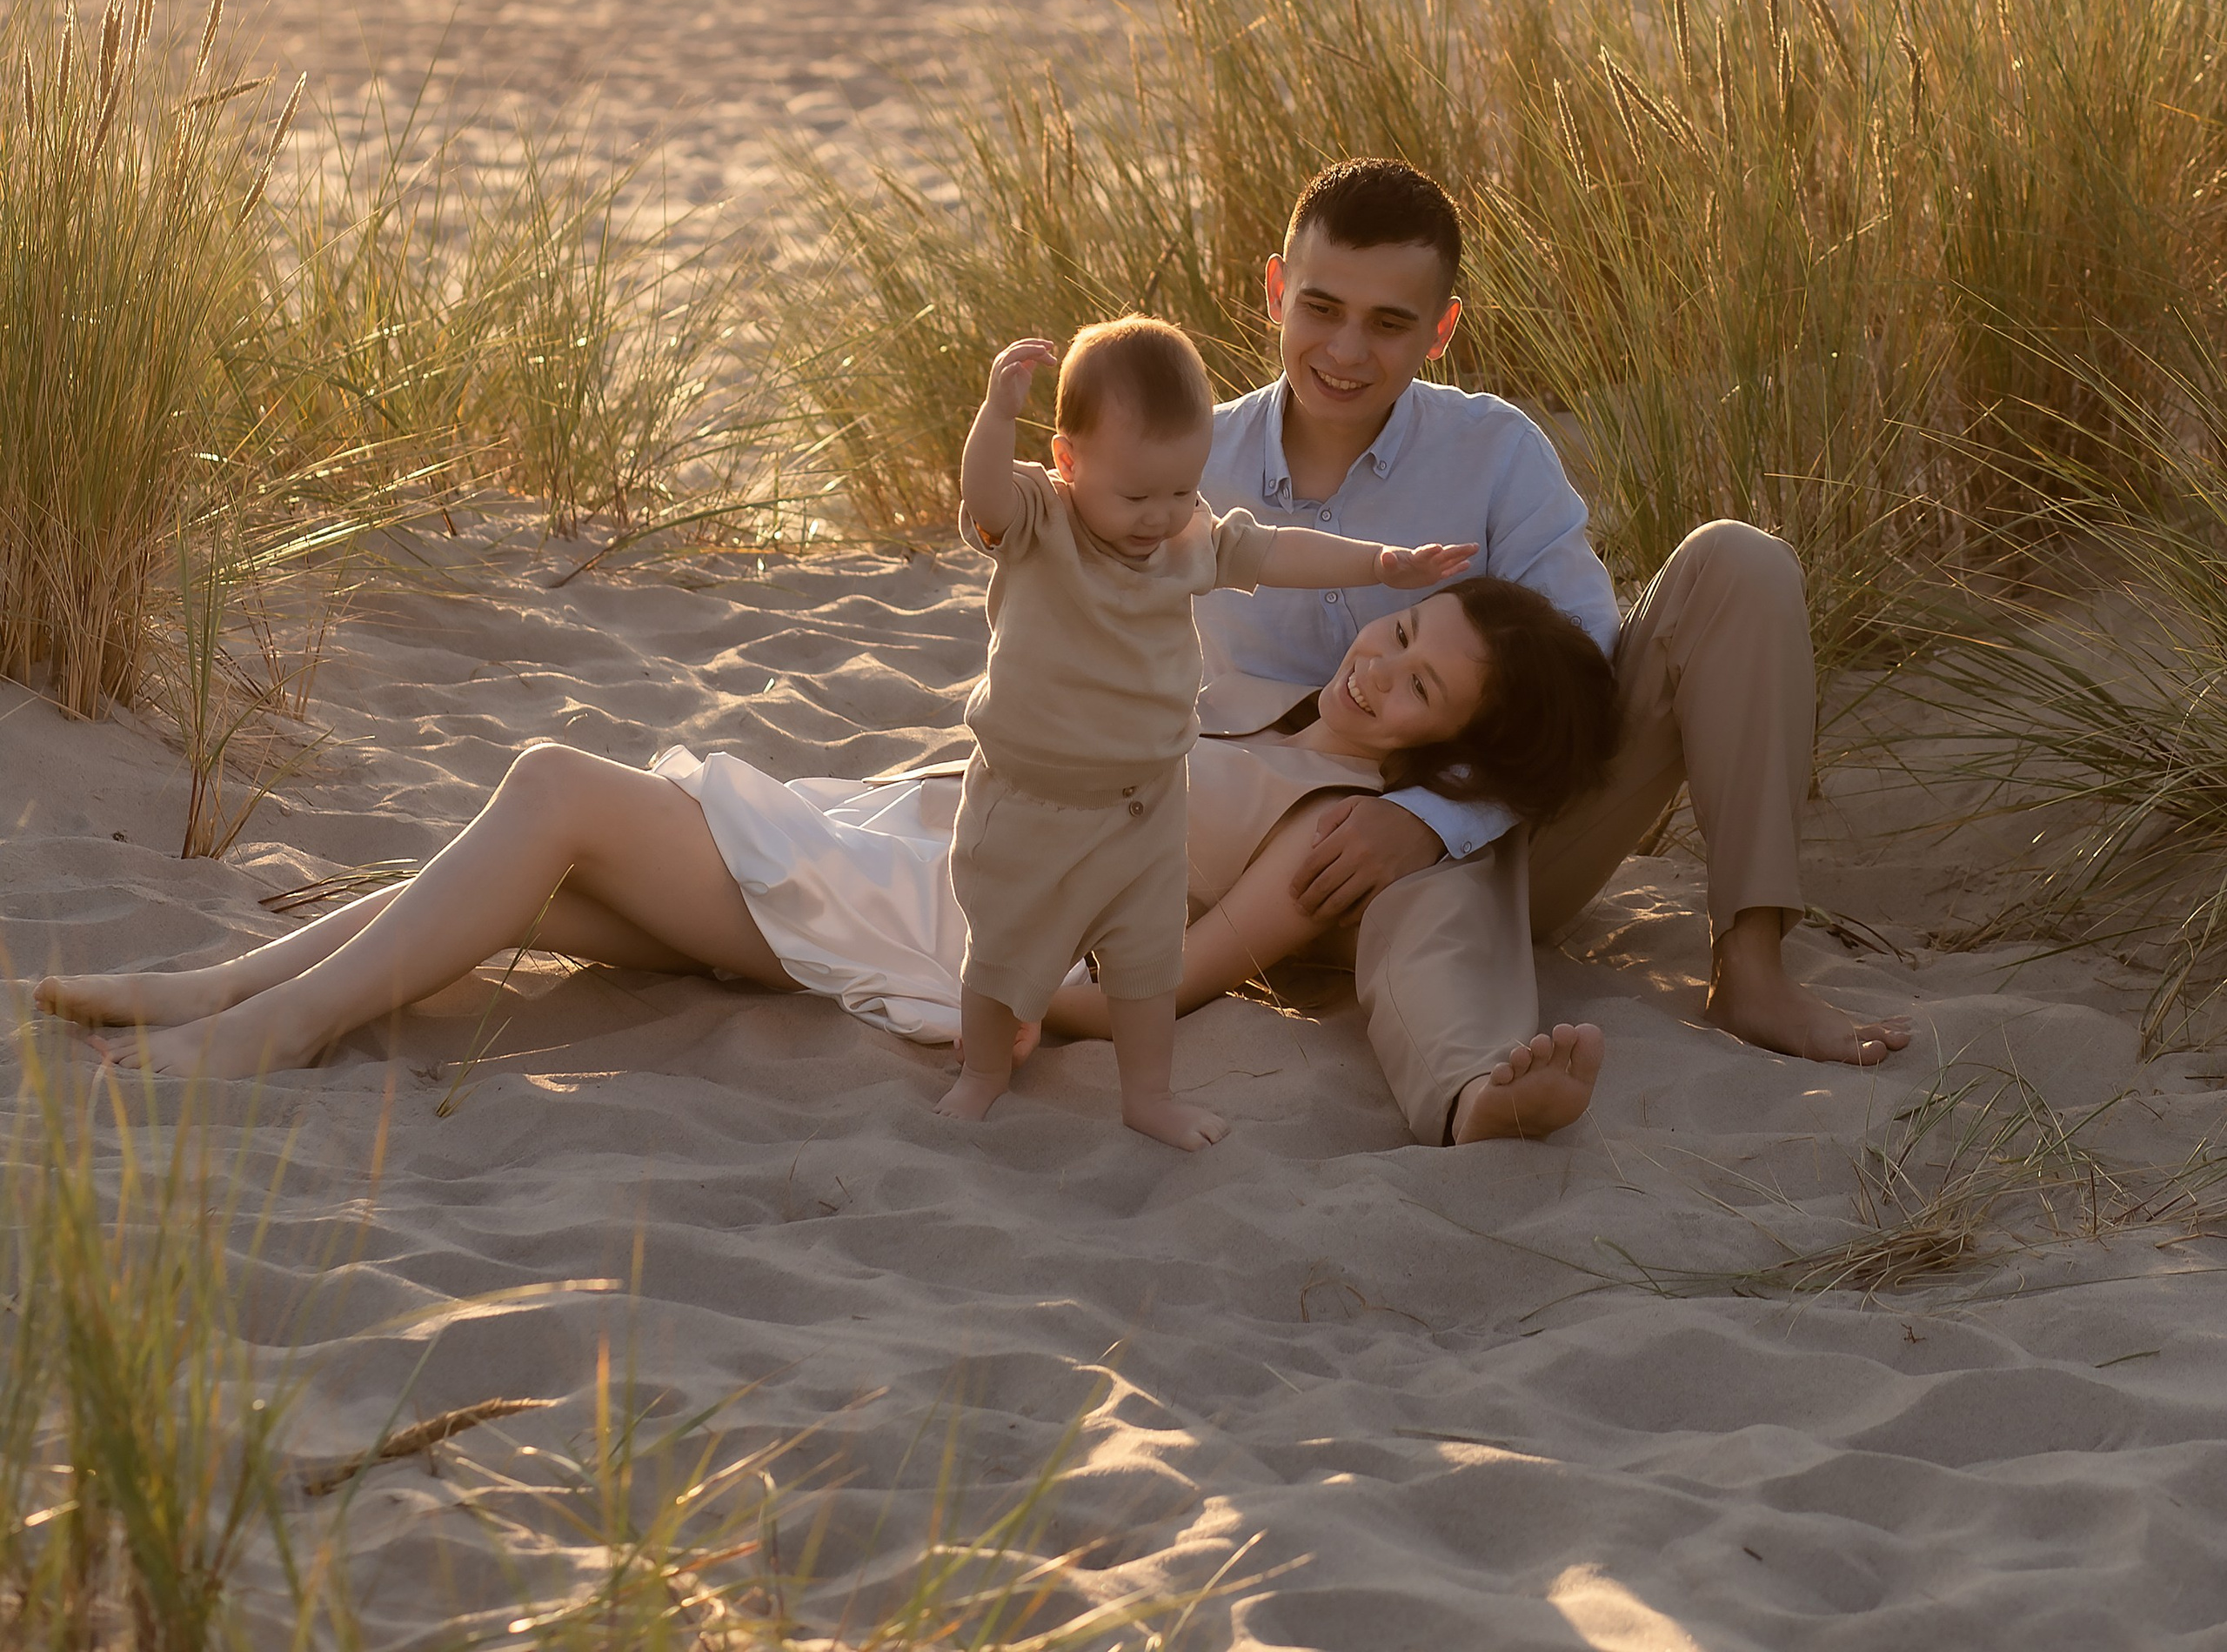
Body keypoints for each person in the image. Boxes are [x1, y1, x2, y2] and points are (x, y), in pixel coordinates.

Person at [32, 573, 1622, 1109]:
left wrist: (1002, 998)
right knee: (548, 880)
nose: (1380, 663)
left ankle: (270, 1031)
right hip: (894, 828)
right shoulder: (1274, 712)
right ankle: (220, 986)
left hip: (923, 910)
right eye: (1400, 629)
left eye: (1418, 682)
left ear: (1446, 743)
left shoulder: (1333, 828)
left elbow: (1189, 974)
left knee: (555, 789)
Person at [1192, 156, 1914, 1146]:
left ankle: (1749, 972)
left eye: (1390, 322)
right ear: (1276, 288)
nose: (1346, 350)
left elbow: (1585, 681)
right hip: (1248, 865)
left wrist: (1429, 815)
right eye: (1320, 307)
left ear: (1442, 329)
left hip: (1495, 847)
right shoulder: (1188, 462)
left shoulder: (1495, 451)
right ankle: (1469, 1088)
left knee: (1737, 565)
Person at [935, 317, 1468, 1144]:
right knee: (1002, 948)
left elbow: (1279, 552)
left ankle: (1147, 1097)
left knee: (1147, 967)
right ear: (1068, 463)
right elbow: (984, 496)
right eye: (1137, 495)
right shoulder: (1041, 517)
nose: (1161, 516)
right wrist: (997, 413)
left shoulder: (1188, 538)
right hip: (1030, 797)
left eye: (1182, 490)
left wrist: (1380, 564)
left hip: (1146, 805)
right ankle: (983, 1071)